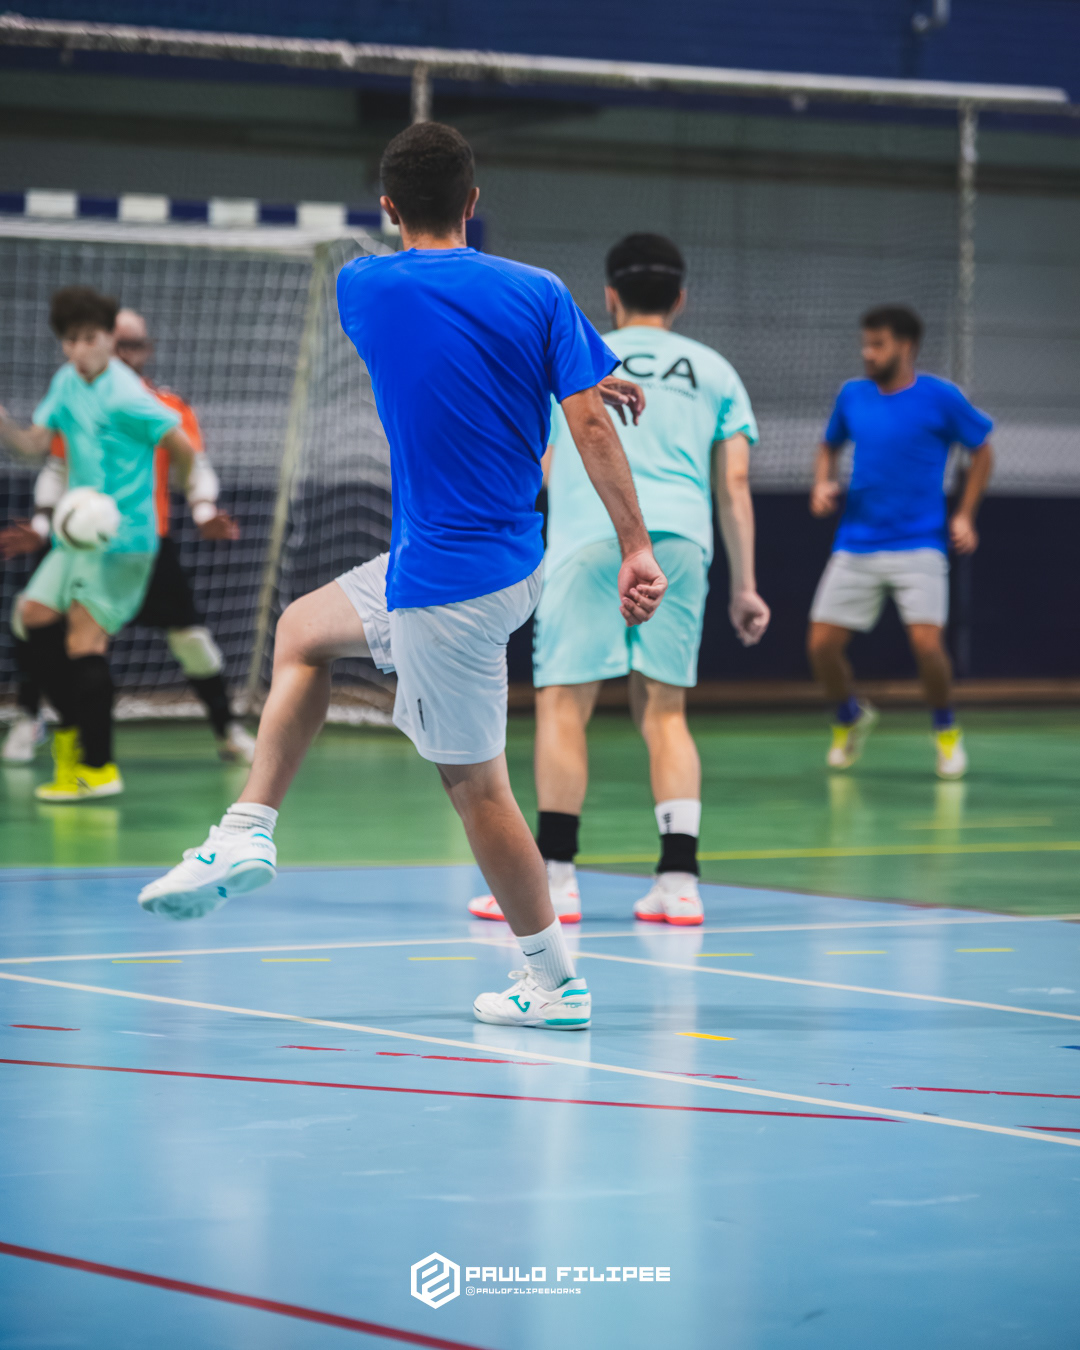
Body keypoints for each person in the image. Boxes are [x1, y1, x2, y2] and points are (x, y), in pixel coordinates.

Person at [138, 122, 666, 1032]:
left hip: (448, 584)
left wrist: (576, 377)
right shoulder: (541, 292)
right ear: (474, 201)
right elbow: (586, 421)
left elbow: (453, 351)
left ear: (388, 208)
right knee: (302, 631)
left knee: (479, 791)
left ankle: (553, 981)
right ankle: (245, 831)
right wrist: (636, 545)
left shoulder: (363, 287)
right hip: (503, 561)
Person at [468, 233, 769, 929]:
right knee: (665, 712)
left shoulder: (575, 355)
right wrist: (746, 585)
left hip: (588, 534)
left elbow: (536, 466)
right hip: (680, 542)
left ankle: (555, 879)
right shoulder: (715, 370)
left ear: (609, 296)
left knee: (562, 707)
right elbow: (734, 486)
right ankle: (679, 882)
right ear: (680, 298)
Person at [0, 308, 255, 765]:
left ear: (146, 350)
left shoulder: (163, 406)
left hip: (142, 543)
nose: (121, 352)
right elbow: (55, 465)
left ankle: (227, 728)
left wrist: (203, 510)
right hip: (80, 541)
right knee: (35, 622)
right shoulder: (76, 393)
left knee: (190, 639)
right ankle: (32, 718)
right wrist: (40, 525)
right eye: (114, 343)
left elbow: (194, 462)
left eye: (131, 344)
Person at [807, 304, 994, 778]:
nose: (868, 353)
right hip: (856, 543)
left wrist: (965, 515)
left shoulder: (940, 397)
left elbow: (983, 450)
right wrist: (823, 482)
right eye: (865, 344)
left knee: (927, 645)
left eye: (878, 345)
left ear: (906, 346)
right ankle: (849, 716)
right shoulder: (852, 395)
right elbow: (829, 445)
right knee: (821, 647)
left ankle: (946, 731)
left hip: (919, 544)